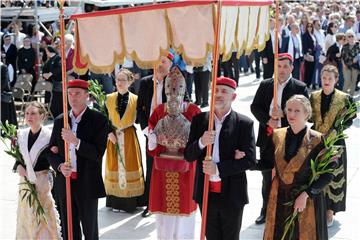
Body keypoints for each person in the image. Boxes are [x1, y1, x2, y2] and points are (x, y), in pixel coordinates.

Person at [184, 77, 256, 240]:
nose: (218, 94)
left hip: (232, 194)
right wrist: (201, 142)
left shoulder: (244, 123)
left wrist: (218, 169)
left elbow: (250, 160)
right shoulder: (199, 120)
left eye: (224, 91)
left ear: (233, 97)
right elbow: (188, 155)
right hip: (206, 193)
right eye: (215, 90)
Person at [261, 95, 335, 240]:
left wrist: (306, 194)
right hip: (280, 199)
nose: (291, 114)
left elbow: (328, 175)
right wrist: (244, 159)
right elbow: (266, 162)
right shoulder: (277, 135)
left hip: (307, 200)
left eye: (297, 111)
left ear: (307, 113)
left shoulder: (318, 140)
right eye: (289, 110)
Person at [250, 53, 308, 225]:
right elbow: (255, 107)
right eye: (279, 66)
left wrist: (284, 115)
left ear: (291, 68)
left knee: (288, 177)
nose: (282, 70)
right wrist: (268, 119)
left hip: (290, 140)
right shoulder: (266, 85)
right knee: (267, 177)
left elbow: (305, 111)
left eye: (285, 66)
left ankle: (285, 210)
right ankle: (265, 209)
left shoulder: (300, 87)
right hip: (268, 138)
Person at [48, 79, 108, 240]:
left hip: (87, 181)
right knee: (69, 228)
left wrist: (76, 141)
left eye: (77, 94)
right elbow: (51, 151)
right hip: (66, 181)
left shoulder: (99, 120)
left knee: (90, 228)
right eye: (70, 94)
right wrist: (59, 166)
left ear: (87, 96)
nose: (73, 98)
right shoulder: (60, 120)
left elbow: (97, 153)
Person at [147, 66, 201, 239]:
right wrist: (153, 141)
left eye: (177, 88)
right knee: (164, 217)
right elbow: (151, 139)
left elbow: (199, 142)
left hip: (186, 168)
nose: (173, 94)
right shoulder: (159, 111)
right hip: (163, 169)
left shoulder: (193, 111)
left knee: (185, 216)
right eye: (170, 88)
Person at [310, 65, 356, 227]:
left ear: (336, 80)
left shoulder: (344, 98)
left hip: (336, 143)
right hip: (316, 143)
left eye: (330, 78)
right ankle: (318, 207)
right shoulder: (313, 96)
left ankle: (331, 211)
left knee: (334, 175)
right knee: (318, 175)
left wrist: (338, 129)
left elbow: (351, 116)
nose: (326, 81)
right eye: (324, 78)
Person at [14, 102, 61, 239]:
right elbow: (18, 158)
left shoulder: (49, 136)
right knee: (27, 214)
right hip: (24, 182)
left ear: (42, 116)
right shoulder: (21, 134)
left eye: (33, 113)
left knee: (43, 215)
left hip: (41, 180)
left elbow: (53, 158)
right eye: (27, 113)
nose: (29, 116)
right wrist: (18, 166)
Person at [136, 53, 173, 217]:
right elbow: (140, 108)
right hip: (149, 132)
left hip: (170, 134)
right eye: (157, 61)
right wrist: (146, 130)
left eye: (163, 62)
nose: (160, 65)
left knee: (168, 168)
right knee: (151, 167)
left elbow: (183, 104)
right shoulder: (145, 82)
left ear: (170, 64)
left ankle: (168, 201)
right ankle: (151, 203)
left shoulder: (176, 81)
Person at [105, 68, 145, 212]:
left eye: (123, 80)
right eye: (118, 79)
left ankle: (129, 202)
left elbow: (140, 118)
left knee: (129, 165)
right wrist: (109, 132)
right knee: (115, 166)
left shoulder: (135, 99)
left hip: (128, 136)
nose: (120, 82)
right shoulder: (108, 98)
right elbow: (104, 118)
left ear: (130, 82)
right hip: (113, 137)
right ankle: (115, 201)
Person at [42, 45, 63, 118]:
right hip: (49, 83)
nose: (46, 53)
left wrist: (50, 74)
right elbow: (44, 69)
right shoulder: (49, 60)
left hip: (57, 82)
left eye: (47, 51)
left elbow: (59, 68)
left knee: (56, 99)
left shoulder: (58, 58)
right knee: (48, 98)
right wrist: (44, 74)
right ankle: (49, 113)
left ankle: (56, 114)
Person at [341, 29, 360, 96]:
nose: (351, 37)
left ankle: (351, 96)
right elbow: (342, 57)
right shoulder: (344, 46)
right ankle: (343, 95)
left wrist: (357, 58)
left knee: (354, 81)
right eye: (349, 36)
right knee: (347, 81)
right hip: (346, 66)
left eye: (352, 36)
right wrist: (343, 65)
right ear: (347, 38)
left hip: (355, 66)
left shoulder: (358, 45)